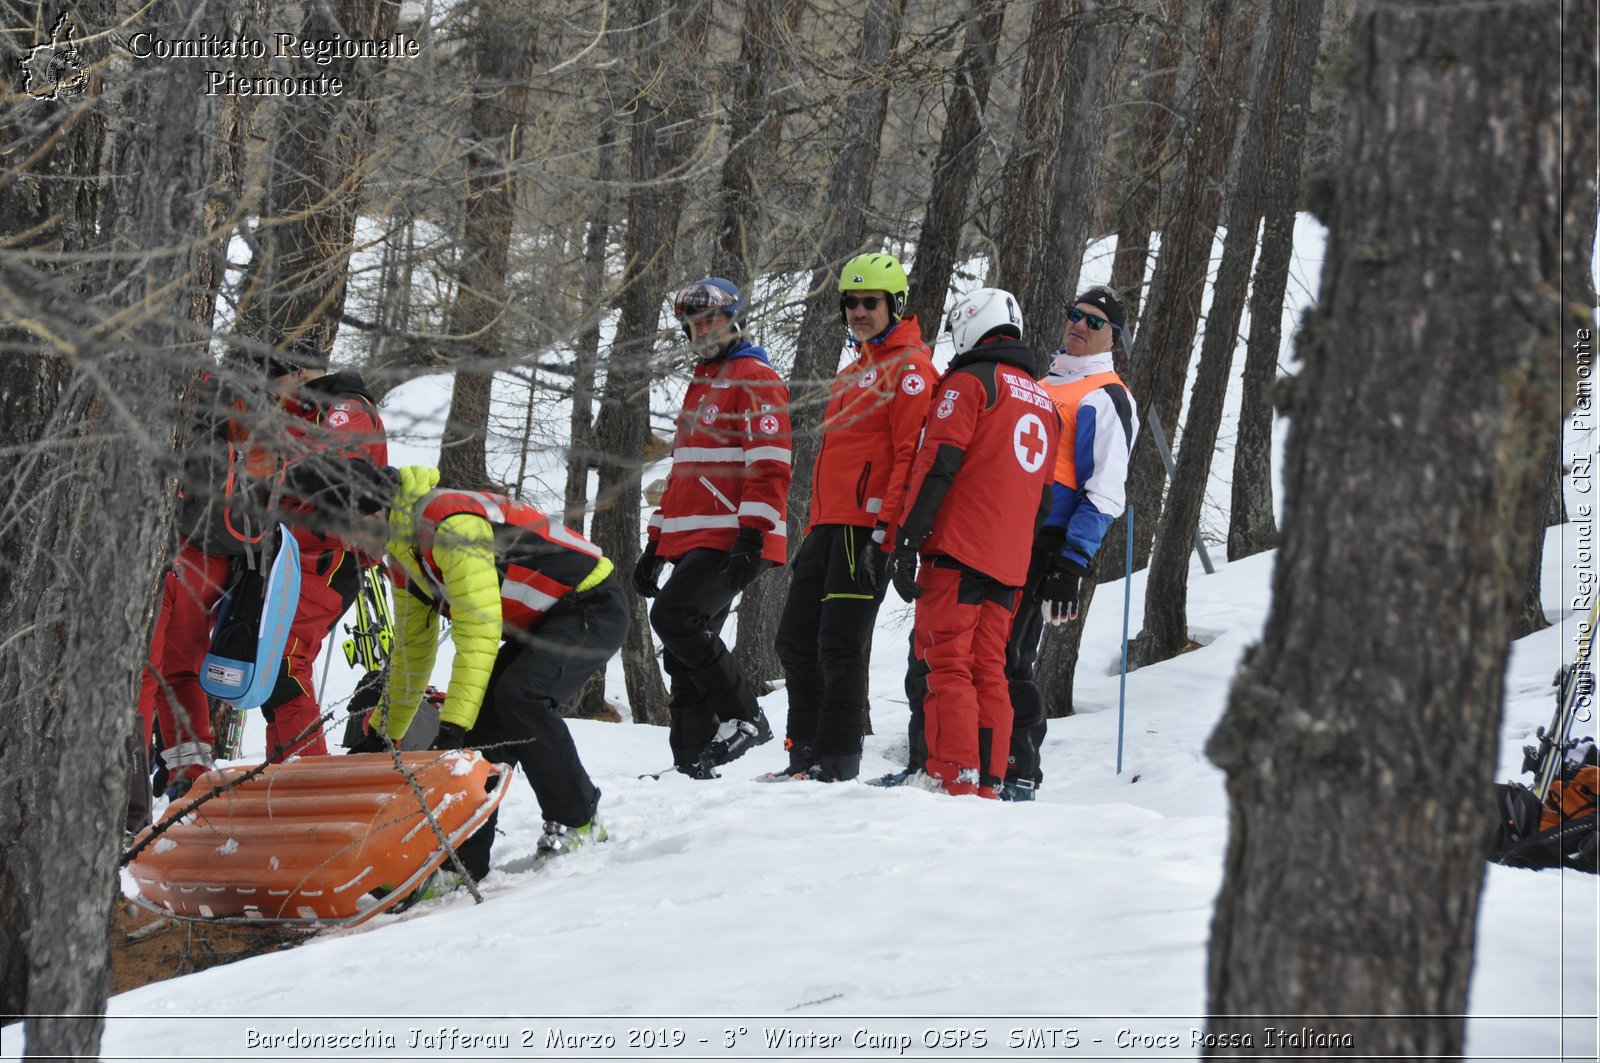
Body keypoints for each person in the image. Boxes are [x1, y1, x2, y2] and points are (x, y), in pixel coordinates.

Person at [353, 464, 627, 883]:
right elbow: (412, 650)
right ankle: (460, 863)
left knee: (520, 697)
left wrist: (452, 726)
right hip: (543, 622)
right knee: (484, 732)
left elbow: (477, 633)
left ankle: (578, 820)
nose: (348, 541)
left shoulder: (447, 527)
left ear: (375, 512)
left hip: (591, 604)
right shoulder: (403, 555)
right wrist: (384, 732)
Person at [884, 288, 1058, 798]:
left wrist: (908, 540)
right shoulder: (1044, 401)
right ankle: (988, 780)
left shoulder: (970, 382)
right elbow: (1043, 498)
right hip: (1008, 562)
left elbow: (937, 462)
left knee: (947, 662)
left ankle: (953, 777)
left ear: (970, 325)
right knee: (990, 669)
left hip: (957, 551)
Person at [770, 253, 935, 781]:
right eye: (851, 302)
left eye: (871, 302)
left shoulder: (911, 369)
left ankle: (836, 763)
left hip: (865, 529)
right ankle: (804, 756)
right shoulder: (852, 372)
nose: (859, 312)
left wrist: (886, 535)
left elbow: (911, 456)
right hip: (826, 527)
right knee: (794, 642)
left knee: (840, 646)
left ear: (896, 304)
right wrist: (814, 526)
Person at [635, 278, 792, 777]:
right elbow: (685, 473)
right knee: (683, 657)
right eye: (694, 325)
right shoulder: (702, 383)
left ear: (733, 320)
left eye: (711, 321)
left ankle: (746, 716)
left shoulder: (754, 376)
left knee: (675, 618)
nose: (703, 331)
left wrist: (753, 534)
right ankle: (692, 765)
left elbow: (770, 463)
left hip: (733, 535)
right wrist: (655, 543)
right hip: (695, 535)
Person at [1002, 286, 1138, 800]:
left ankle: (1020, 769)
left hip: (1048, 541)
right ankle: (979, 760)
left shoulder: (1108, 396)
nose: (1079, 325)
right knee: (985, 648)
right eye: (1074, 315)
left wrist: (1071, 563)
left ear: (1113, 338)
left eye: (1094, 322)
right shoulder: (1042, 382)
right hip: (1003, 531)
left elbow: (1106, 491)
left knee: (1011, 653)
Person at [266, 337, 388, 761]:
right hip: (298, 556)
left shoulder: (345, 408)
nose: (274, 397)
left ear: (299, 373)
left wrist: (270, 481)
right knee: (272, 669)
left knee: (284, 663)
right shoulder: (307, 416)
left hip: (332, 555)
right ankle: (280, 775)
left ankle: (306, 774)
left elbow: (334, 470)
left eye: (275, 383)